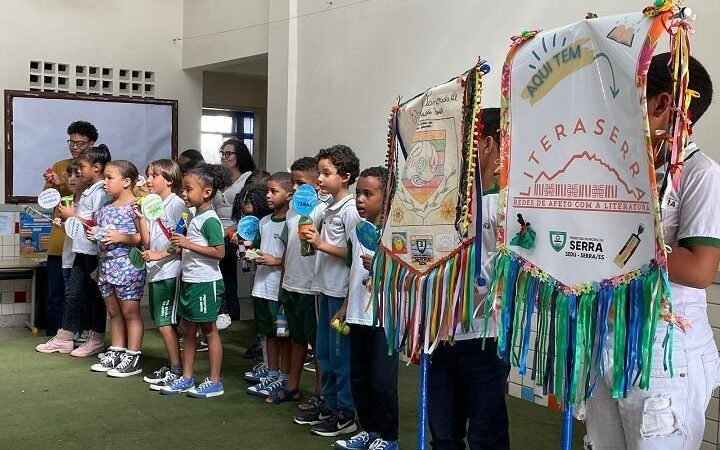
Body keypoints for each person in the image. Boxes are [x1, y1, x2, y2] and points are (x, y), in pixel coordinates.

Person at [584, 53, 720, 449]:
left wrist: (615, 236)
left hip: (664, 357)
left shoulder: (701, 175)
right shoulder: (624, 172)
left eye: (631, 96)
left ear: (661, 104)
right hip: (609, 342)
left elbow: (699, 269)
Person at [426, 107, 510, 450]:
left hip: (485, 336)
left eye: (467, 143)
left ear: (486, 144)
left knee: (485, 434)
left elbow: (516, 272)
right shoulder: (446, 203)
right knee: (443, 433)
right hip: (442, 334)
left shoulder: (508, 205)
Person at [295, 144, 360, 437]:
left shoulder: (350, 210)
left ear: (345, 176)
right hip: (323, 289)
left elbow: (355, 255)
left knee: (340, 357)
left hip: (340, 293)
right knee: (323, 353)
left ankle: (346, 413)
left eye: (326, 173)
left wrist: (321, 244)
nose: (319, 179)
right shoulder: (328, 207)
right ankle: (331, 405)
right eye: (319, 173)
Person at [334, 166, 400, 450]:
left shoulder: (397, 233)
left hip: (384, 317)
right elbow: (353, 273)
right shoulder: (358, 229)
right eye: (359, 193)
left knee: (382, 381)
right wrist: (345, 306)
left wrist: (384, 267)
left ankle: (389, 437)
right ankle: (370, 430)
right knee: (359, 377)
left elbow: (406, 275)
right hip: (357, 313)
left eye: (367, 194)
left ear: (386, 198)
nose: (360, 199)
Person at [160, 164, 229, 398]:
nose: (184, 193)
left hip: (205, 283)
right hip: (189, 280)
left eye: (188, 189)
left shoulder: (210, 219)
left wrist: (188, 244)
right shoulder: (191, 216)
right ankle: (187, 377)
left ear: (206, 192)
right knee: (188, 332)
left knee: (209, 332)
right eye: (183, 189)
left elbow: (219, 252)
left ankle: (215, 381)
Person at [36, 145, 111, 356]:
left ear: (96, 168)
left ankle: (95, 338)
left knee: (94, 296)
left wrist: (72, 216)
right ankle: (65, 336)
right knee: (73, 293)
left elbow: (99, 224)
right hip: (81, 250)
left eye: (81, 168)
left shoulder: (102, 193)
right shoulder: (88, 191)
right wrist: (69, 221)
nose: (77, 173)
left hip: (94, 252)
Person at [265, 157, 326, 405]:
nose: (295, 189)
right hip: (291, 283)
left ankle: (320, 393)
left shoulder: (322, 209)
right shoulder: (292, 211)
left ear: (316, 185)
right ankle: (292, 386)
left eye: (301, 183)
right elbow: (290, 249)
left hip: (311, 287)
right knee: (295, 338)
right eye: (293, 183)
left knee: (316, 342)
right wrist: (283, 282)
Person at [87, 161, 145, 377]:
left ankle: (133, 355)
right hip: (106, 268)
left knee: (130, 312)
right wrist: (94, 235)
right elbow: (101, 236)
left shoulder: (136, 207)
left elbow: (143, 238)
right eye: (105, 177)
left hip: (128, 267)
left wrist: (123, 237)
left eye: (110, 177)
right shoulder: (104, 209)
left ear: (127, 181)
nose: (105, 182)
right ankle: (117, 350)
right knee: (113, 312)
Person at [136, 159, 190, 389]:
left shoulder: (178, 205)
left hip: (170, 270)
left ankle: (177, 369)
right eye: (148, 175)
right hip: (156, 271)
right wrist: (140, 216)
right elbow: (147, 241)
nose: (148, 180)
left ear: (169, 179)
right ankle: (172, 365)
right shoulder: (152, 204)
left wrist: (159, 255)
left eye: (154, 176)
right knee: (161, 322)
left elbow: (180, 242)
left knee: (166, 322)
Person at [42, 120, 97, 337]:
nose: (74, 146)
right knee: (56, 293)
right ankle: (56, 334)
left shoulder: (95, 169)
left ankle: (83, 334)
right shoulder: (58, 165)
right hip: (60, 238)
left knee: (83, 294)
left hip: (84, 241)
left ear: (91, 143)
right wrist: (54, 184)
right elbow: (50, 198)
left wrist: (63, 183)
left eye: (80, 143)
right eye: (71, 142)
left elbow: (87, 196)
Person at [244, 172, 293, 400]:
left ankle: (284, 377)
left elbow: (295, 258)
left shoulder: (292, 223)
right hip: (261, 287)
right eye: (267, 191)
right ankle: (272, 373)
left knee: (283, 335)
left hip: (279, 289)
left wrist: (276, 261)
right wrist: (250, 254)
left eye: (274, 191)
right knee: (268, 334)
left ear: (289, 194)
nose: (268, 195)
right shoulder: (264, 222)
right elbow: (255, 247)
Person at [214, 138, 257, 327]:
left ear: (239, 156)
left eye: (229, 153)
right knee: (221, 276)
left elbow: (250, 208)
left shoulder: (248, 177)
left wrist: (232, 230)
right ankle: (223, 316)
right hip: (215, 231)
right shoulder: (218, 178)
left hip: (235, 232)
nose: (225, 157)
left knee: (226, 275)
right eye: (222, 153)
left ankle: (232, 317)